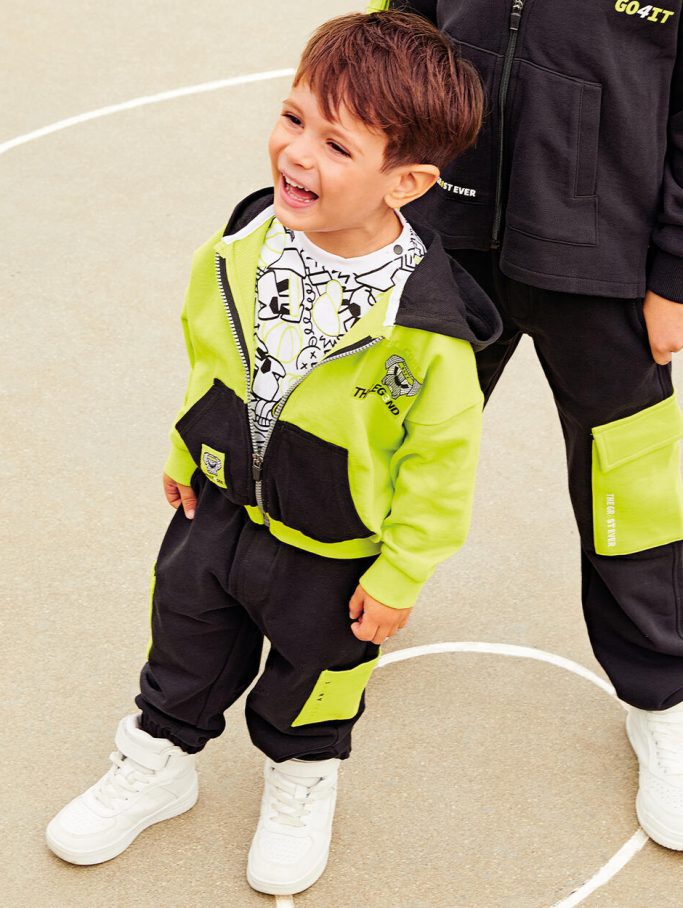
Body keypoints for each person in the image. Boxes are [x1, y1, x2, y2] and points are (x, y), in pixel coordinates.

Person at [45, 11, 501, 895]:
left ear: (406, 181)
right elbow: (209, 357)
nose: (296, 154)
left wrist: (401, 573)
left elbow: (441, 465)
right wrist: (188, 444)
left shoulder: (423, 329)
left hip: (333, 547)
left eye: (336, 144)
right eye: (293, 118)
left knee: (317, 676)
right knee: (184, 639)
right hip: (219, 506)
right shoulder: (241, 245)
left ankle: (302, 777)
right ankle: (156, 762)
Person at [371, 0, 683, 849]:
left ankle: (660, 698)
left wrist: (674, 270)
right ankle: (338, 623)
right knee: (382, 440)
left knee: (633, 488)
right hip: (442, 233)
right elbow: (396, 39)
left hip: (606, 256)